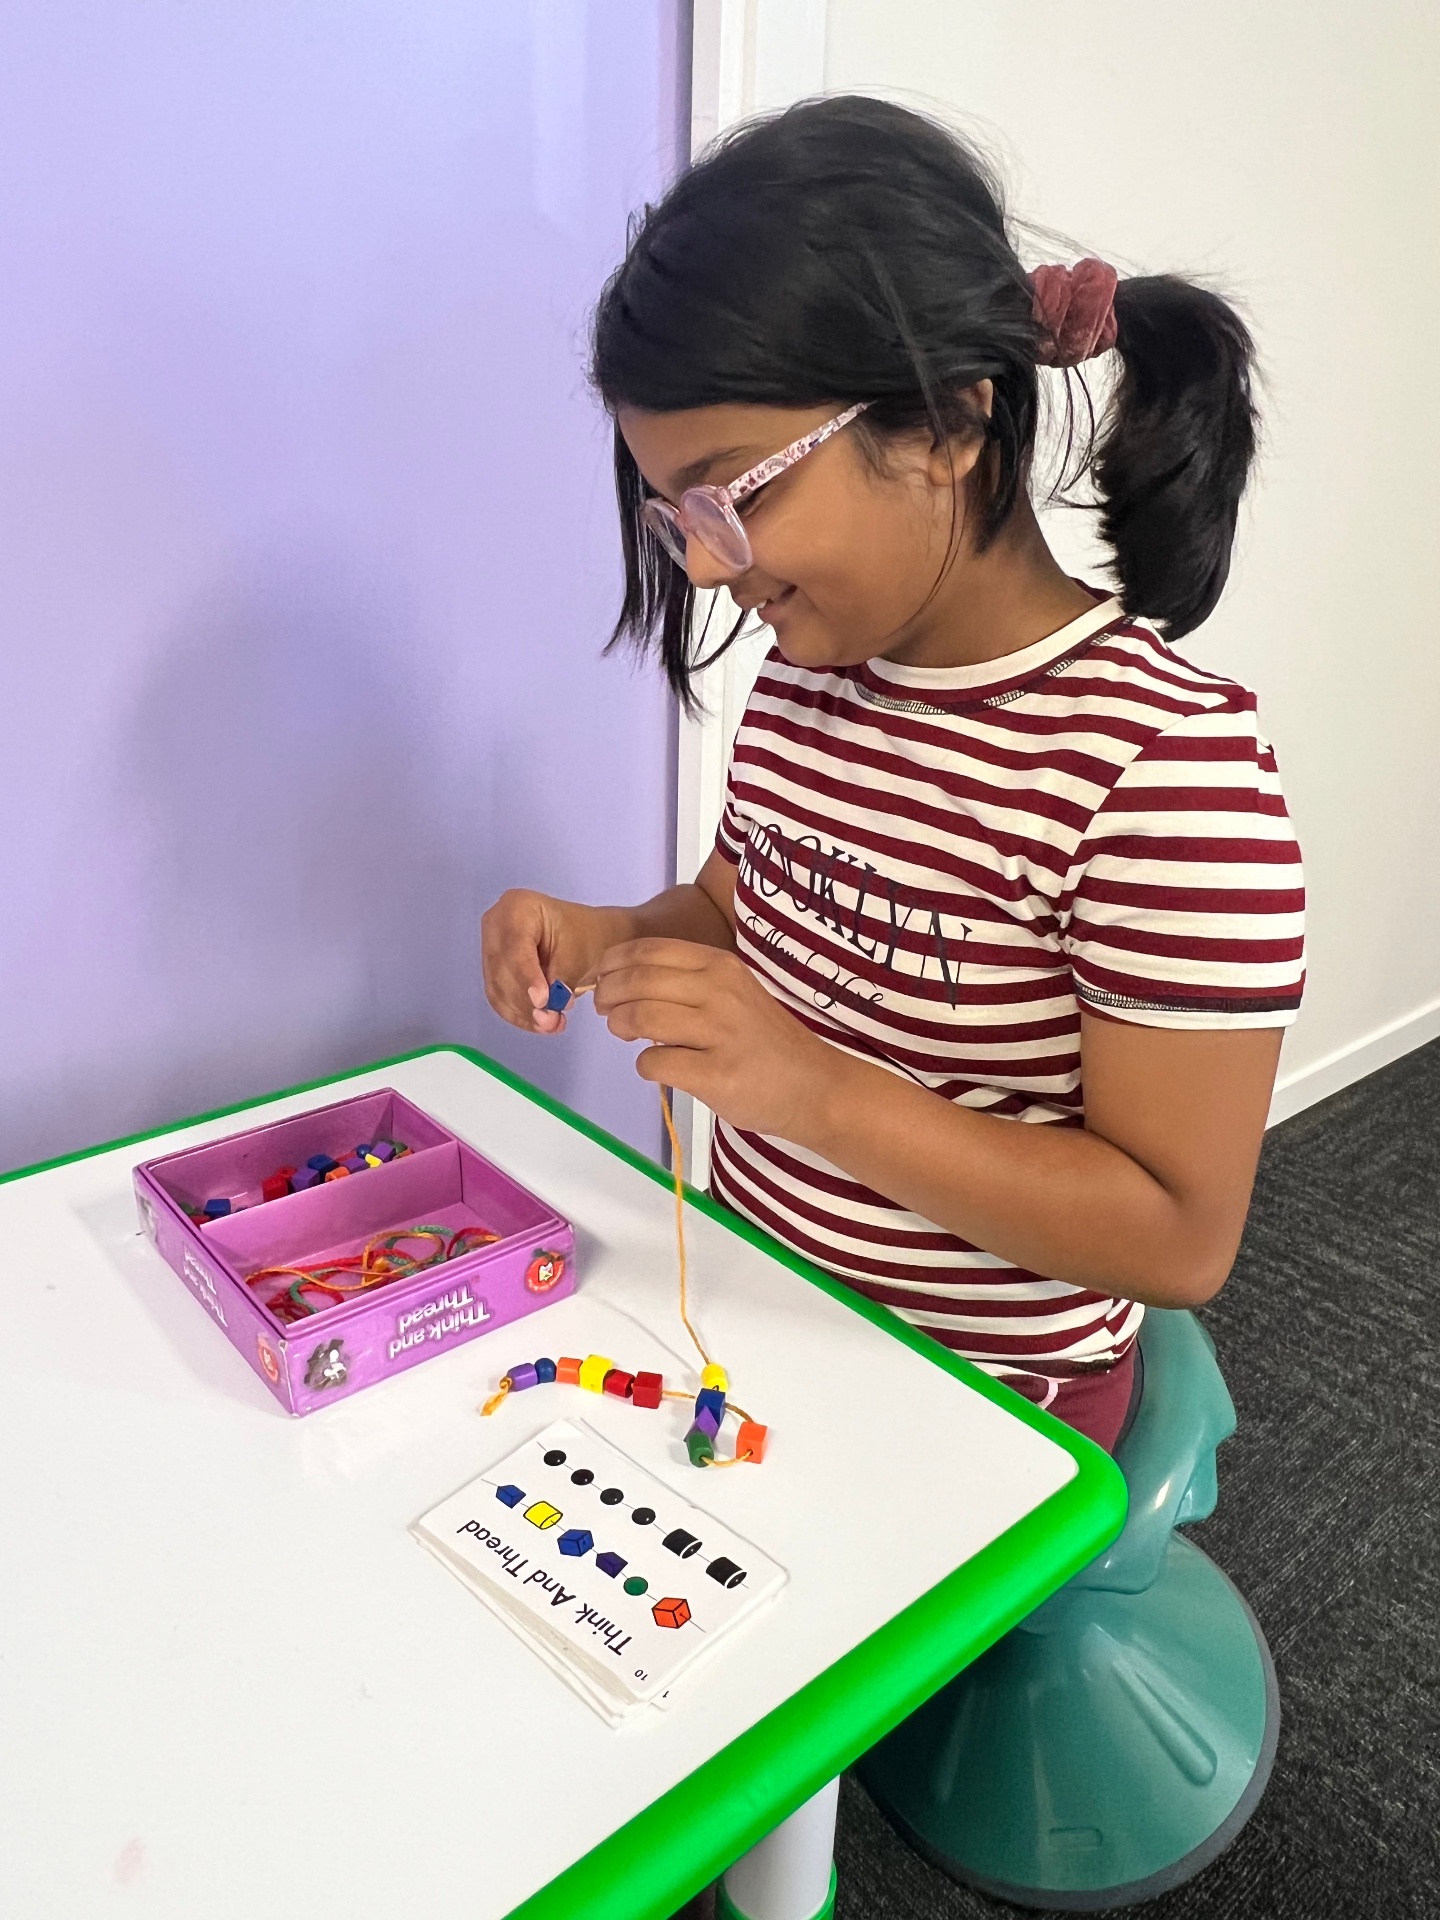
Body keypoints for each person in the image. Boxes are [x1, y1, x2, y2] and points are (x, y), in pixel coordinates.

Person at [482, 96, 1305, 1454]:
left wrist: (810, 1091)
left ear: (947, 420)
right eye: (671, 513)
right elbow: (750, 911)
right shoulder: (808, 686)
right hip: (767, 1316)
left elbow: (1176, 1233)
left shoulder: (1165, 777)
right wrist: (612, 937)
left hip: (982, 1405)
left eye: (732, 497)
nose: (702, 564)